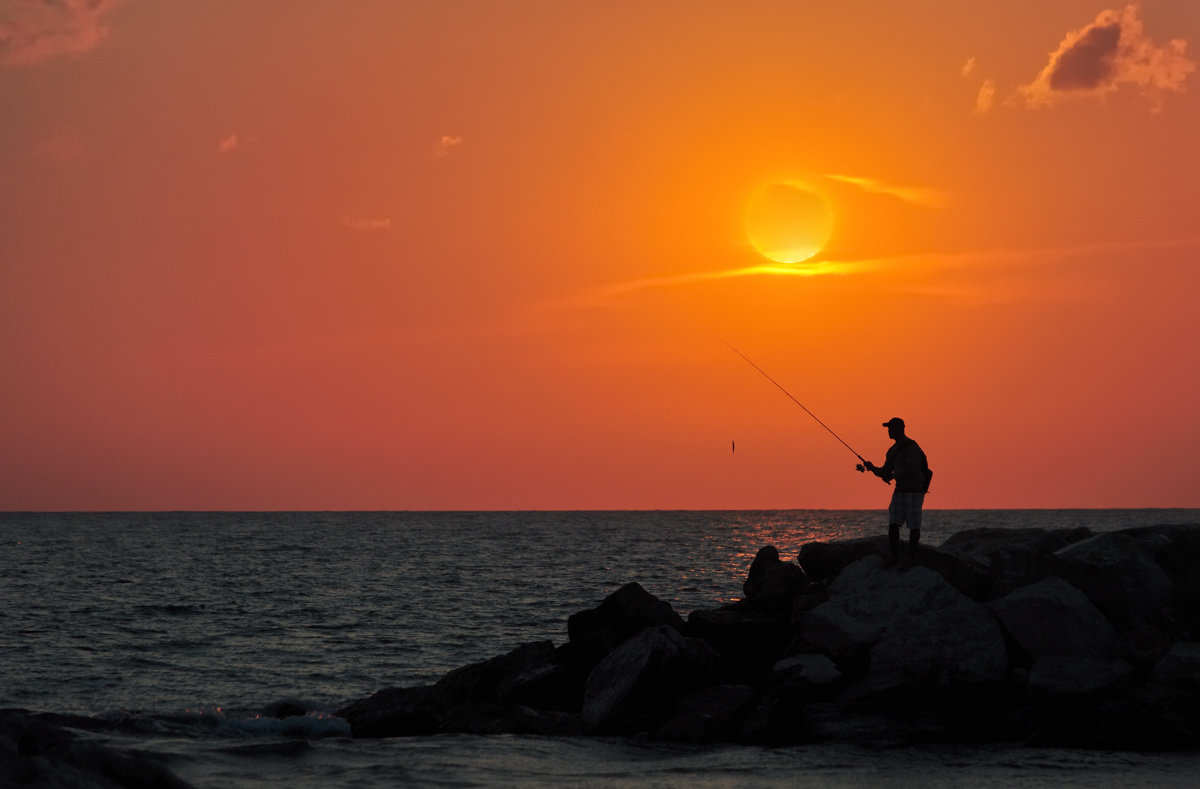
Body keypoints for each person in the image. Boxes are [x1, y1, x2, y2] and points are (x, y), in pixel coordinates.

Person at [860, 417, 930, 562]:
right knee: (894, 523)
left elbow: (911, 469)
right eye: (888, 429)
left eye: (891, 428)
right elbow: (885, 472)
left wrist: (892, 476)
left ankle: (911, 556)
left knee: (914, 525)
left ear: (901, 429)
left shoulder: (912, 447)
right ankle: (894, 556)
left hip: (914, 490)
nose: (889, 431)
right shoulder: (892, 451)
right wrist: (872, 468)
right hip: (900, 490)